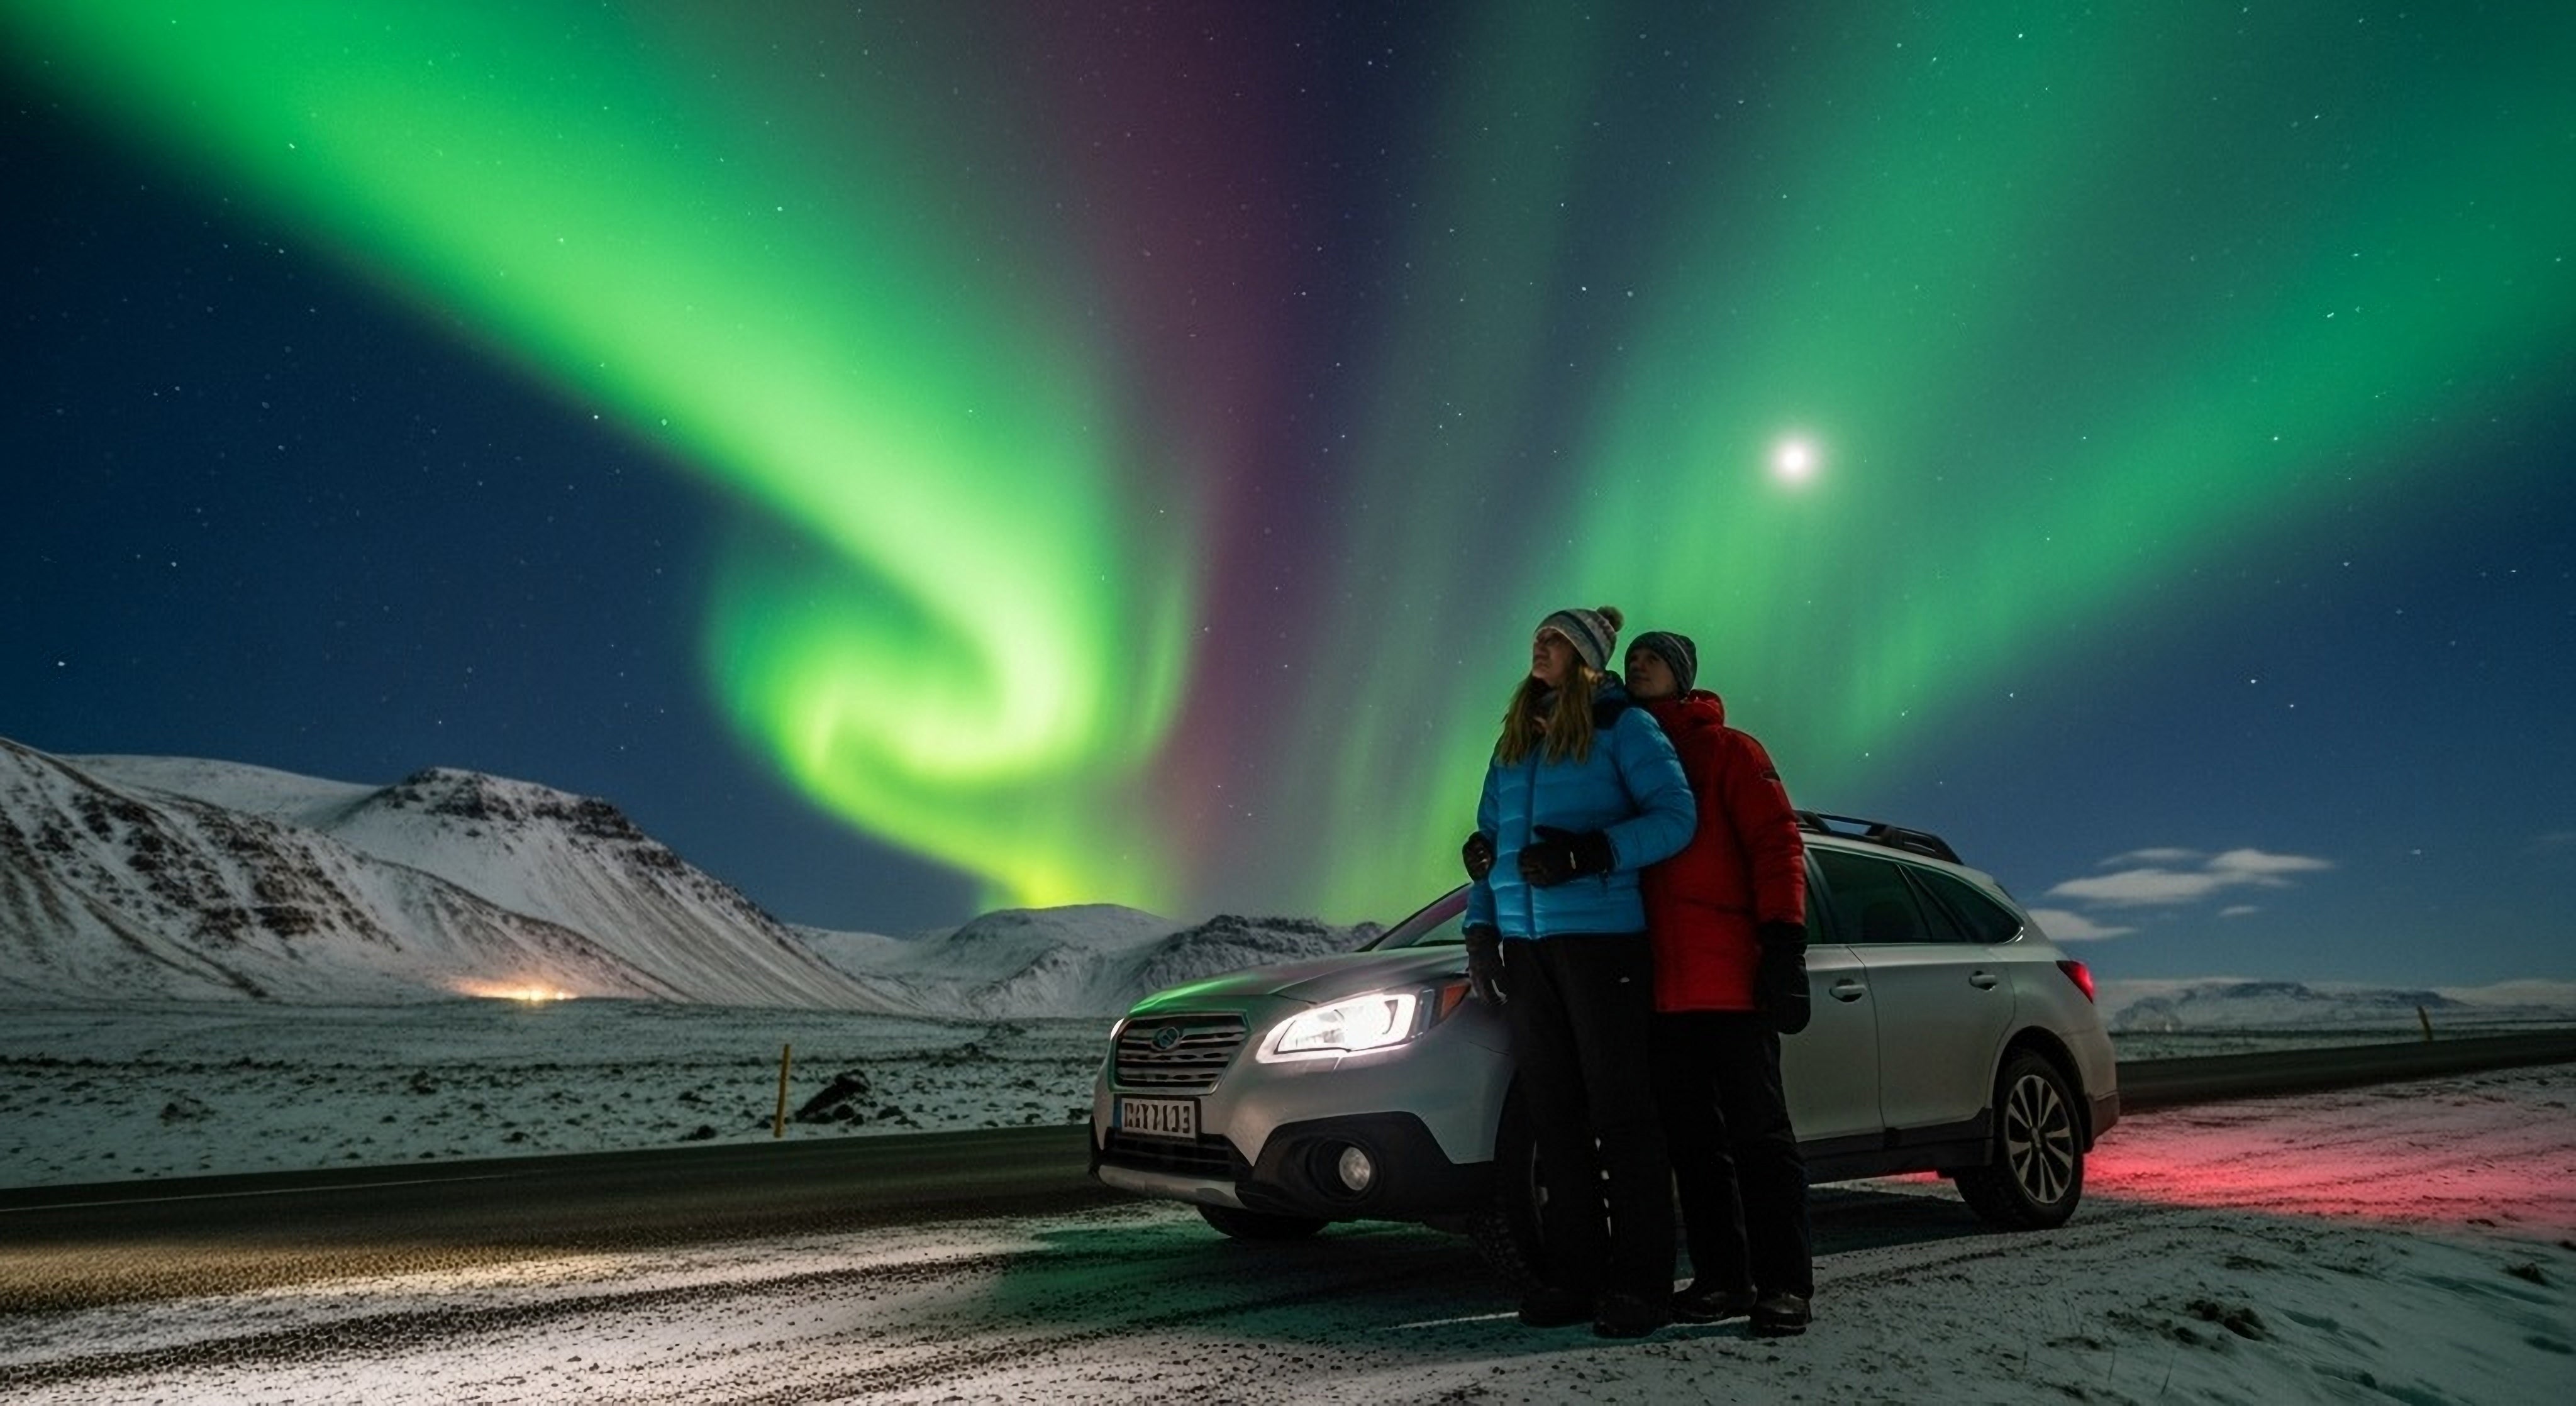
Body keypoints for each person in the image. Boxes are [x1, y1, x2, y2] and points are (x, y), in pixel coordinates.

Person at [1459, 604, 1697, 1339]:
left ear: (1588, 657)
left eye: (1557, 639)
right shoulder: (1512, 742)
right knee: (1555, 1117)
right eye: (1537, 634)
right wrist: (1480, 925)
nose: (1540, 644)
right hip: (1528, 950)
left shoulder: (1624, 727)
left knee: (1621, 1114)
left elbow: (1674, 815)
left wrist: (1589, 854)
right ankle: (1576, 1275)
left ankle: (1642, 1283)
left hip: (1600, 943)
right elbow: (1492, 842)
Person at [1623, 628, 1818, 1338]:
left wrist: (1782, 943)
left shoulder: (1731, 751)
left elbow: (1776, 843)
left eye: (1650, 657)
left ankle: (1784, 1285)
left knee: (1760, 1139)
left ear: (1679, 674)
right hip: (1663, 993)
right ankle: (1722, 1278)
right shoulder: (1625, 759)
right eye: (1631, 657)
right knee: (1693, 1148)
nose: (1635, 664)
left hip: (1733, 985)